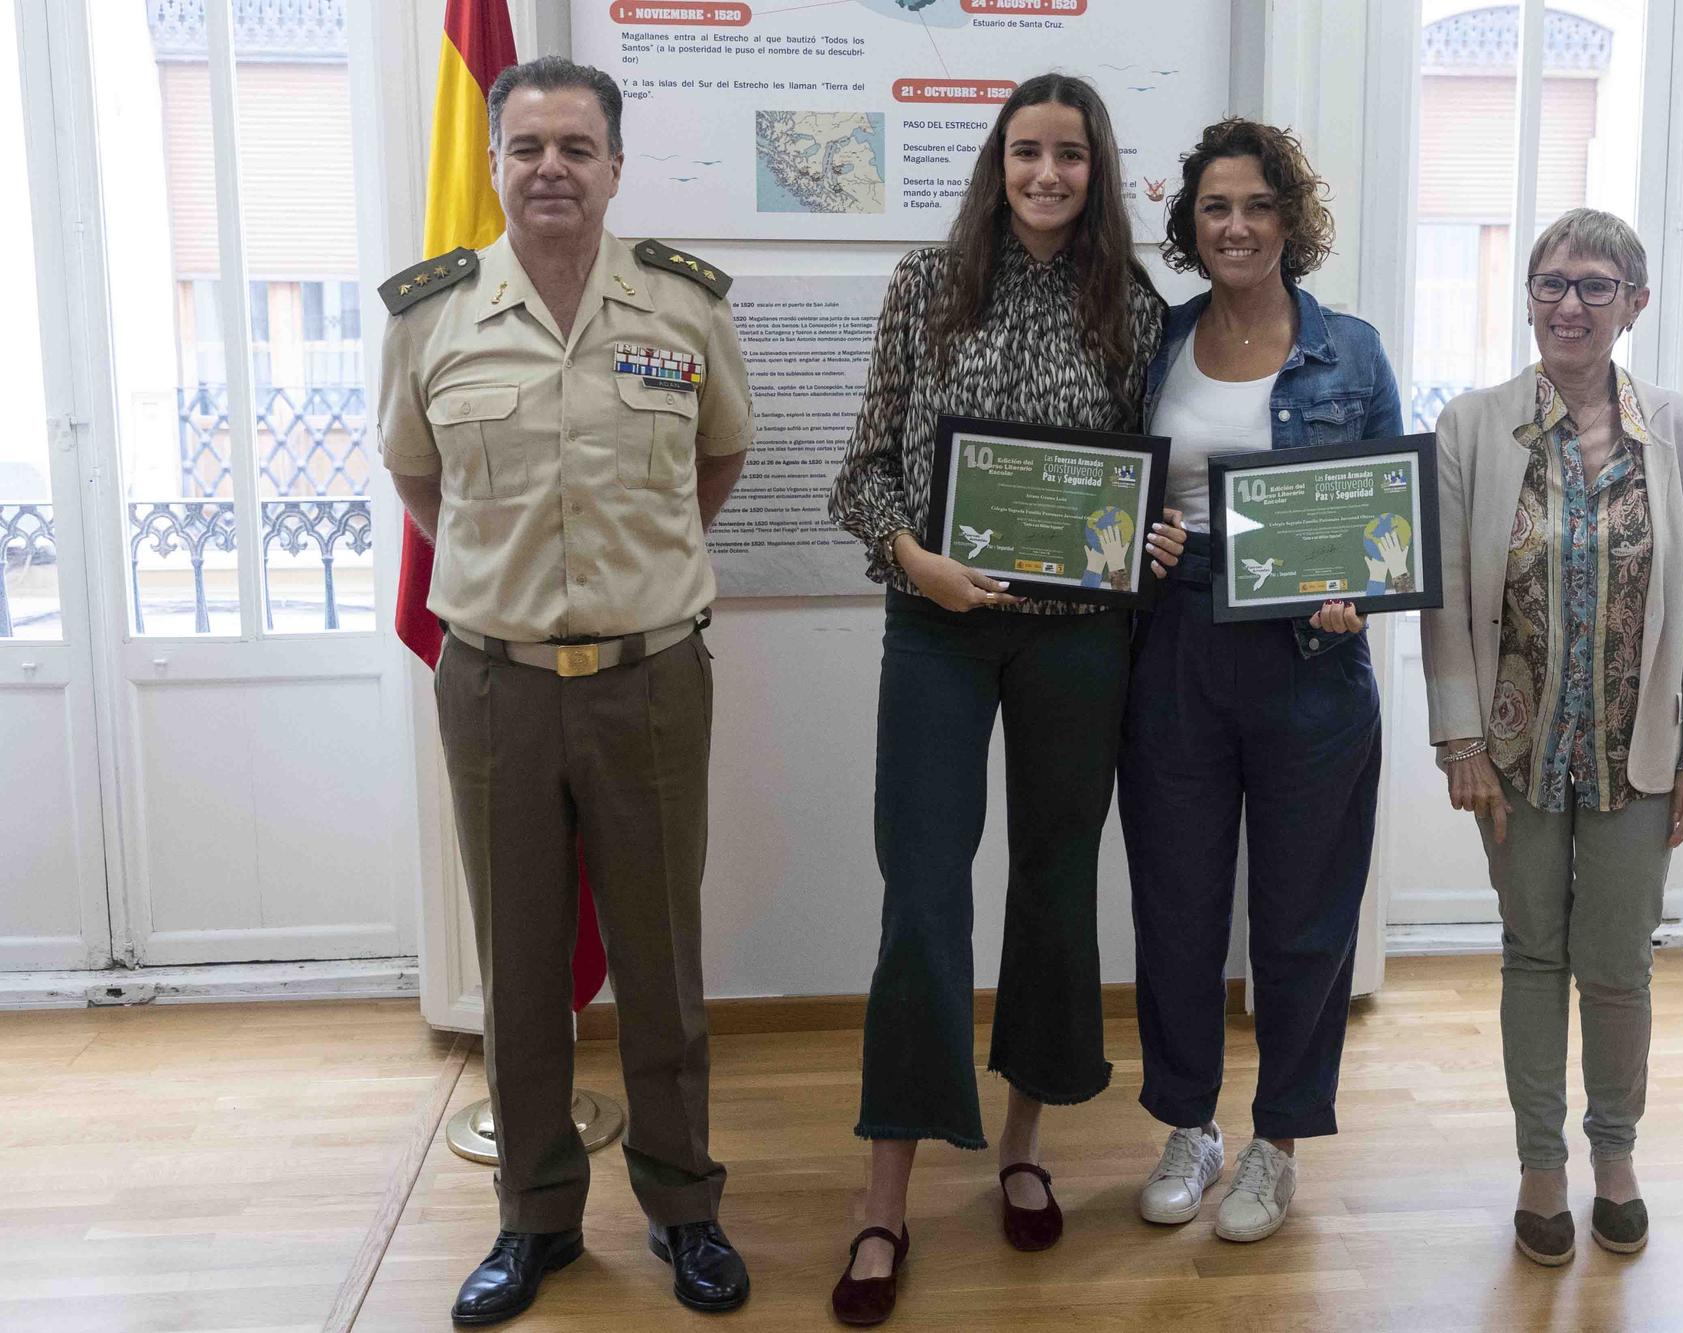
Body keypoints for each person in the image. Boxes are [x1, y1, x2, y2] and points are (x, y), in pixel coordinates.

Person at [375, 56, 755, 1323]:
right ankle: (535, 1218)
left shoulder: (683, 306)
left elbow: (719, 458)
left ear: (613, 165)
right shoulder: (431, 316)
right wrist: (511, 581)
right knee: (520, 966)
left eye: (575, 147)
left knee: (662, 960)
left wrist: (633, 580)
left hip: (650, 678)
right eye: (527, 145)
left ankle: (684, 1207)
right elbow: (422, 482)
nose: (550, 167)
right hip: (493, 683)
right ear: (493, 163)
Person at [825, 73, 1180, 1326]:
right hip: (934, 630)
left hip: (1076, 644)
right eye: (1025, 152)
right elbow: (859, 471)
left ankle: (1025, 1146)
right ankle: (884, 1197)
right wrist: (911, 555)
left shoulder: (1131, 309)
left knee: (1051, 883)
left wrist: (1152, 540)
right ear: (996, 161)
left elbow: (1151, 491)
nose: (1045, 174)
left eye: (1068, 156)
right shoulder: (925, 284)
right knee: (919, 897)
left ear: (1095, 171)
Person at [1419, 207, 1683, 1265]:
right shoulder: (1472, 426)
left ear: (1632, 304)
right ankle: (1539, 1164)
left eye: (1595, 285)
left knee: (1615, 964)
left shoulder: (1676, 430)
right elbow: (1448, 603)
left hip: (1634, 751)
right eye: (1550, 282)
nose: (1568, 303)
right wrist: (1457, 740)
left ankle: (1616, 1156)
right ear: (1528, 298)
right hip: (1513, 752)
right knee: (1529, 953)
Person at [1118, 118, 1401, 1245]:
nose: (1235, 227)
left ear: (1290, 220)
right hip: (1175, 653)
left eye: (1257, 207)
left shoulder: (1354, 353)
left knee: (1301, 917)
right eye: (1214, 209)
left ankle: (1276, 1141)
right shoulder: (1156, 342)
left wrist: (1357, 593)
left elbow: (1389, 527)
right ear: (1191, 226)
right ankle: (1187, 1123)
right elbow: (1118, 491)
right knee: (1177, 908)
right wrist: (1132, 539)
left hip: (1309, 662)